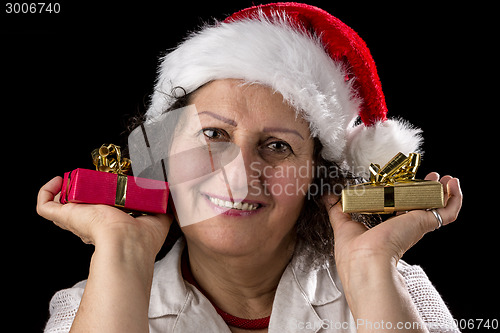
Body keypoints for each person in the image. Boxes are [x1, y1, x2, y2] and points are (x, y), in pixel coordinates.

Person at [37, 3, 463, 333]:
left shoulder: (399, 291)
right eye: (213, 135)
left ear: (318, 178)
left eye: (277, 146)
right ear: (163, 153)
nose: (240, 174)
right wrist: (123, 253)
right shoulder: (92, 302)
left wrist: (371, 267)